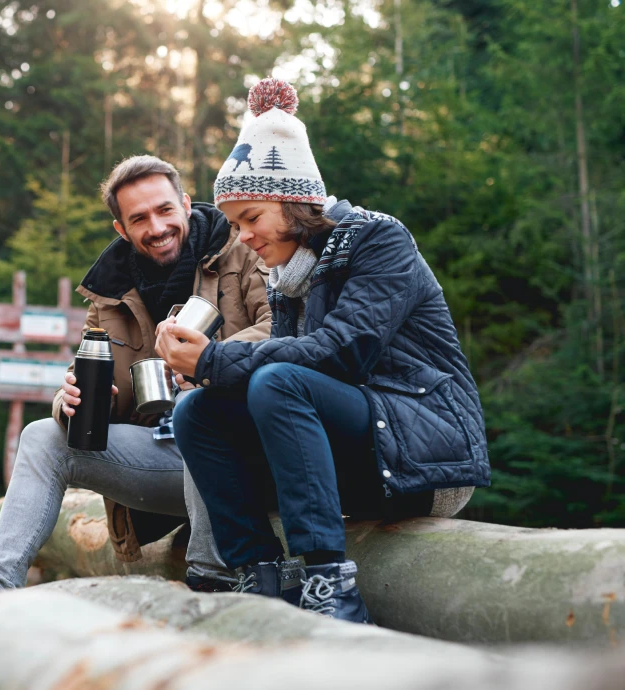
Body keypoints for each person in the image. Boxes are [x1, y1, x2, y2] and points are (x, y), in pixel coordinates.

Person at [156, 78, 489, 623]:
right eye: (235, 224)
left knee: (276, 380)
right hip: (352, 459)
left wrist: (215, 360)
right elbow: (286, 376)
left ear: (294, 202)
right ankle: (260, 576)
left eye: (251, 218)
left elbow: (342, 354)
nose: (242, 237)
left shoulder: (380, 240)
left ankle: (329, 584)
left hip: (427, 458)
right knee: (198, 412)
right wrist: (200, 370)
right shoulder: (288, 276)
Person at [0, 155, 272, 602]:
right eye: (139, 218)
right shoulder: (109, 294)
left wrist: (209, 361)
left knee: (198, 408)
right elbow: (86, 378)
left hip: (243, 454)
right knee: (42, 437)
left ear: (185, 204)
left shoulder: (242, 249)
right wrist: (71, 400)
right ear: (121, 229)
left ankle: (212, 582)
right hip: (166, 459)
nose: (157, 226)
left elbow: (281, 329)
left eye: (165, 210)